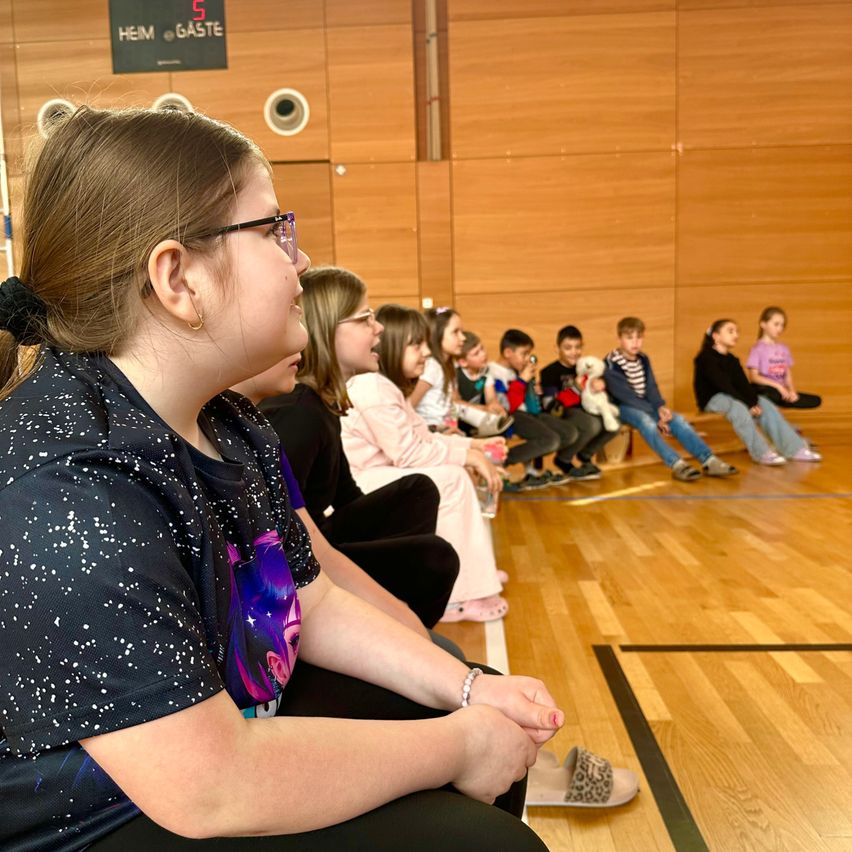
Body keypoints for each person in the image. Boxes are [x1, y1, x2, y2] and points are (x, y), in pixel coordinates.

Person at [0, 105, 563, 851]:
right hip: (102, 821)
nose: (301, 260)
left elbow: (310, 598)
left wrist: (466, 690)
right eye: (273, 231)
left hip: (220, 735)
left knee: (474, 714)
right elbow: (210, 786)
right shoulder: (66, 490)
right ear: (178, 277)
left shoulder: (228, 420)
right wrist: (460, 744)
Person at [237, 266, 460, 632]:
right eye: (364, 318)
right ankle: (393, 631)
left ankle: (390, 614)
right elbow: (281, 528)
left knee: (418, 491)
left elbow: (346, 495)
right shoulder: (299, 413)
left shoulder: (322, 404)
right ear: (328, 330)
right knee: (436, 559)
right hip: (302, 558)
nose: (379, 327)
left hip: (320, 536)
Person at [341, 304, 509, 623]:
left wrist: (474, 447)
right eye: (416, 345)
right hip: (360, 481)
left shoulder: (386, 386)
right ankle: (454, 597)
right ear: (393, 346)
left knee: (456, 472)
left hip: (380, 470)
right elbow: (409, 453)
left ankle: (477, 574)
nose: (426, 353)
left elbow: (424, 438)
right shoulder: (371, 387)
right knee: (451, 479)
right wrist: (469, 455)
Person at [604, 317, 737, 481]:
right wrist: (655, 415)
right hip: (621, 407)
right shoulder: (611, 362)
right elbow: (626, 396)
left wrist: (660, 407)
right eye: (629, 338)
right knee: (647, 423)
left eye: (639, 337)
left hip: (645, 405)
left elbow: (651, 387)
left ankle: (709, 460)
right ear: (619, 338)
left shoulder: (643, 358)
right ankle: (676, 464)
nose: (635, 342)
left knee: (677, 420)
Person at [694, 319, 821, 465]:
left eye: (737, 331)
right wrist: (747, 404)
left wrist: (753, 402)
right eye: (730, 331)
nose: (736, 335)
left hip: (734, 398)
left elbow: (744, 386)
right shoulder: (705, 358)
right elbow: (723, 385)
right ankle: (761, 453)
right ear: (716, 336)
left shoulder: (732, 360)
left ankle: (795, 449)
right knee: (738, 407)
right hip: (713, 399)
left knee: (765, 404)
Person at [488, 329, 574, 489]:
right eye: (524, 354)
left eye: (529, 354)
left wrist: (530, 384)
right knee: (551, 440)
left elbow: (531, 404)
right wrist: (521, 381)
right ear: (508, 352)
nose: (527, 358)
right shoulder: (493, 372)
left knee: (569, 433)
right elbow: (506, 406)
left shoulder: (516, 370)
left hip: (529, 413)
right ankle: (501, 460)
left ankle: (531, 471)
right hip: (511, 417)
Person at [539, 324, 619, 481]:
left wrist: (602, 385)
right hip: (564, 412)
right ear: (557, 348)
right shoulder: (549, 372)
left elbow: (600, 387)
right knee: (592, 424)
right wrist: (575, 388)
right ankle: (563, 459)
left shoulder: (585, 366)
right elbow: (550, 406)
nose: (574, 352)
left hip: (586, 408)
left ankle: (585, 454)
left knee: (614, 423)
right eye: (568, 348)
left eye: (577, 347)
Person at [745, 306, 821, 409]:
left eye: (782, 325)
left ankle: (784, 398)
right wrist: (778, 386)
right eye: (776, 324)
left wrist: (792, 391)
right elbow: (754, 377)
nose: (780, 329)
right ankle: (771, 399)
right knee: (770, 393)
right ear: (763, 324)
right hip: (765, 388)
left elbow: (787, 373)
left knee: (816, 400)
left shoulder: (784, 348)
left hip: (779, 391)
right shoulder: (757, 349)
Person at [409, 305, 464, 431]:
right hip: (429, 432)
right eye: (455, 332)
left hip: (443, 431)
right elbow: (409, 407)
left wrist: (452, 428)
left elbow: (452, 405)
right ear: (436, 334)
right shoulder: (431, 367)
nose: (463, 337)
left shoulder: (449, 365)